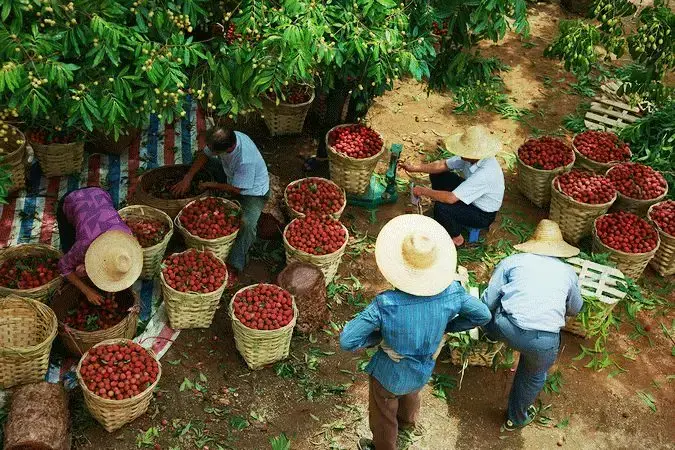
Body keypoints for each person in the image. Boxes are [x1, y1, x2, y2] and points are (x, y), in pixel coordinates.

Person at [339, 214, 491, 450]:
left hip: (391, 373)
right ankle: (408, 423)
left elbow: (348, 340)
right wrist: (447, 329)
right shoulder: (452, 292)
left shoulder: (386, 304)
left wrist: (379, 339)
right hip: (424, 367)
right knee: (412, 393)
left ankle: (384, 446)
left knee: (383, 410)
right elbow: (483, 315)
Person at [480, 219, 583, 432]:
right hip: (543, 341)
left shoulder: (512, 261)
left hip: (506, 327)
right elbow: (574, 308)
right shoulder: (568, 273)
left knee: (492, 314)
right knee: (533, 375)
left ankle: (488, 335)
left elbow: (488, 301)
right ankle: (514, 419)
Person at [172, 127, 270, 284]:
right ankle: (198, 181)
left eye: (213, 150)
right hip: (231, 175)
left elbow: (237, 189)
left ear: (228, 148)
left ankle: (235, 265)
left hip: (252, 191)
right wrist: (188, 178)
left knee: (247, 224)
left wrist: (211, 184)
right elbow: (205, 154)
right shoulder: (228, 138)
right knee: (199, 161)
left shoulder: (246, 160)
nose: (209, 150)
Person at [400, 125, 505, 247]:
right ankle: (449, 216)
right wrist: (414, 168)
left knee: (441, 208)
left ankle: (457, 238)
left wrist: (423, 191)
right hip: (473, 196)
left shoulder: (485, 173)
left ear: (474, 154)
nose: (460, 154)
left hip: (482, 213)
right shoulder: (471, 158)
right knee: (438, 175)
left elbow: (451, 198)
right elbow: (443, 165)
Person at [56, 187, 143, 304]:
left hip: (99, 194)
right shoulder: (83, 246)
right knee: (68, 248)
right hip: (72, 201)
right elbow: (63, 266)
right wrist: (87, 291)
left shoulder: (127, 236)